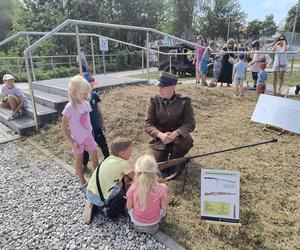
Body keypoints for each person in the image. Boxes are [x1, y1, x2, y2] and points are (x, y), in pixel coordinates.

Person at [144, 71, 196, 176]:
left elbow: (190, 122)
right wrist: (161, 135)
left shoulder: (185, 101)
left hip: (178, 137)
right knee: (151, 163)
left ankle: (174, 160)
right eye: (159, 86)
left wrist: (176, 133)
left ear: (172, 87)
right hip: (160, 138)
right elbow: (148, 124)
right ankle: (164, 156)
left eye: (162, 87)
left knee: (186, 143)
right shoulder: (154, 100)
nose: (159, 89)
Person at [83, 137, 135, 224]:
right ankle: (106, 206)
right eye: (130, 151)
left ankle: (94, 202)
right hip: (101, 199)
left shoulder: (108, 159)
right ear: (122, 153)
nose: (131, 153)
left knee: (115, 177)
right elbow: (134, 177)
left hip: (89, 191)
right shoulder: (124, 163)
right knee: (125, 179)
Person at [61, 75, 99, 192]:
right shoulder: (69, 108)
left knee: (95, 159)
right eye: (84, 94)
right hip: (77, 140)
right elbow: (63, 127)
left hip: (88, 137)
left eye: (87, 93)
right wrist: (72, 142)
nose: (86, 96)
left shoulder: (86, 104)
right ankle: (82, 181)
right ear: (74, 92)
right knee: (79, 160)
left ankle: (95, 180)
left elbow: (87, 120)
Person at [126, 155, 168, 234]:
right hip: (154, 225)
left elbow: (129, 207)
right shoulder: (161, 188)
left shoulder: (133, 187)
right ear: (155, 171)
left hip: (137, 224)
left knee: (129, 210)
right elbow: (164, 208)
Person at [79, 72, 110, 169]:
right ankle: (84, 164)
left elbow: (98, 109)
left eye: (92, 85)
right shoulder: (79, 99)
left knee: (103, 143)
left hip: (96, 126)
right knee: (85, 148)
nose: (92, 87)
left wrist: (103, 122)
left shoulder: (94, 95)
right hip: (85, 129)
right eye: (90, 85)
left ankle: (108, 159)